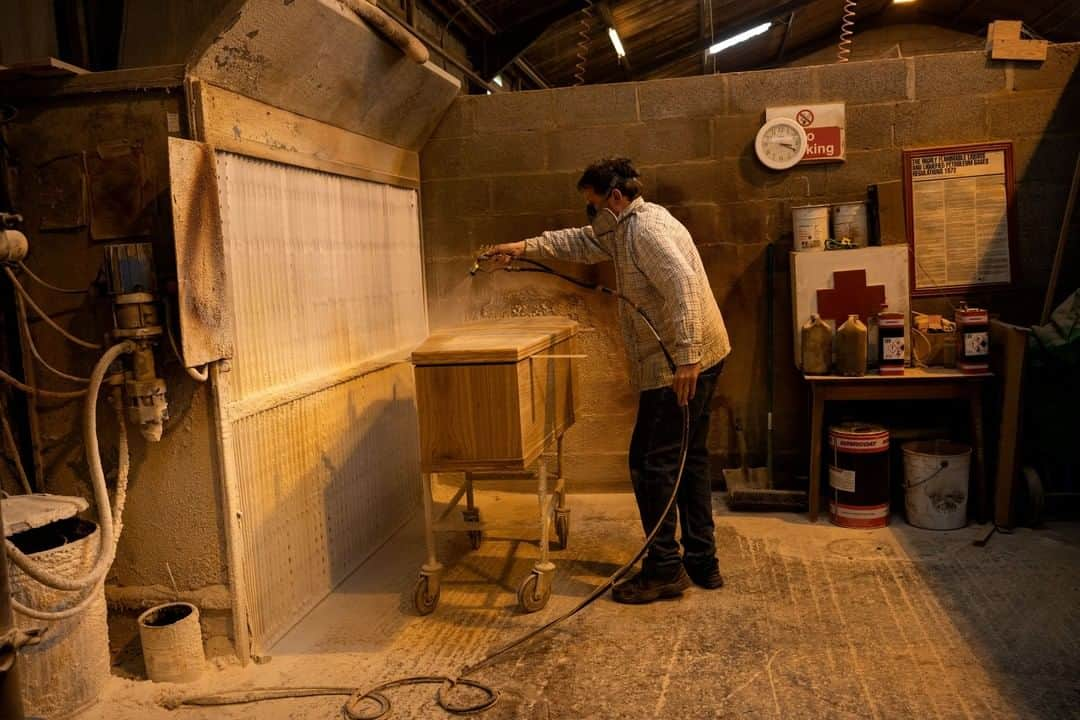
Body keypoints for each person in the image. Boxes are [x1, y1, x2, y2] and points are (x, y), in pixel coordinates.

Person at [483, 157, 731, 604]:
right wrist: (523, 247)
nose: (591, 215)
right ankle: (702, 561)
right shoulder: (625, 226)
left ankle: (664, 568)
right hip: (699, 353)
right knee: (688, 458)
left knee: (650, 463)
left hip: (678, 361)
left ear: (615, 197)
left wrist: (687, 359)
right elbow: (579, 242)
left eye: (593, 205)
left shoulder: (647, 232)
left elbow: (683, 287)